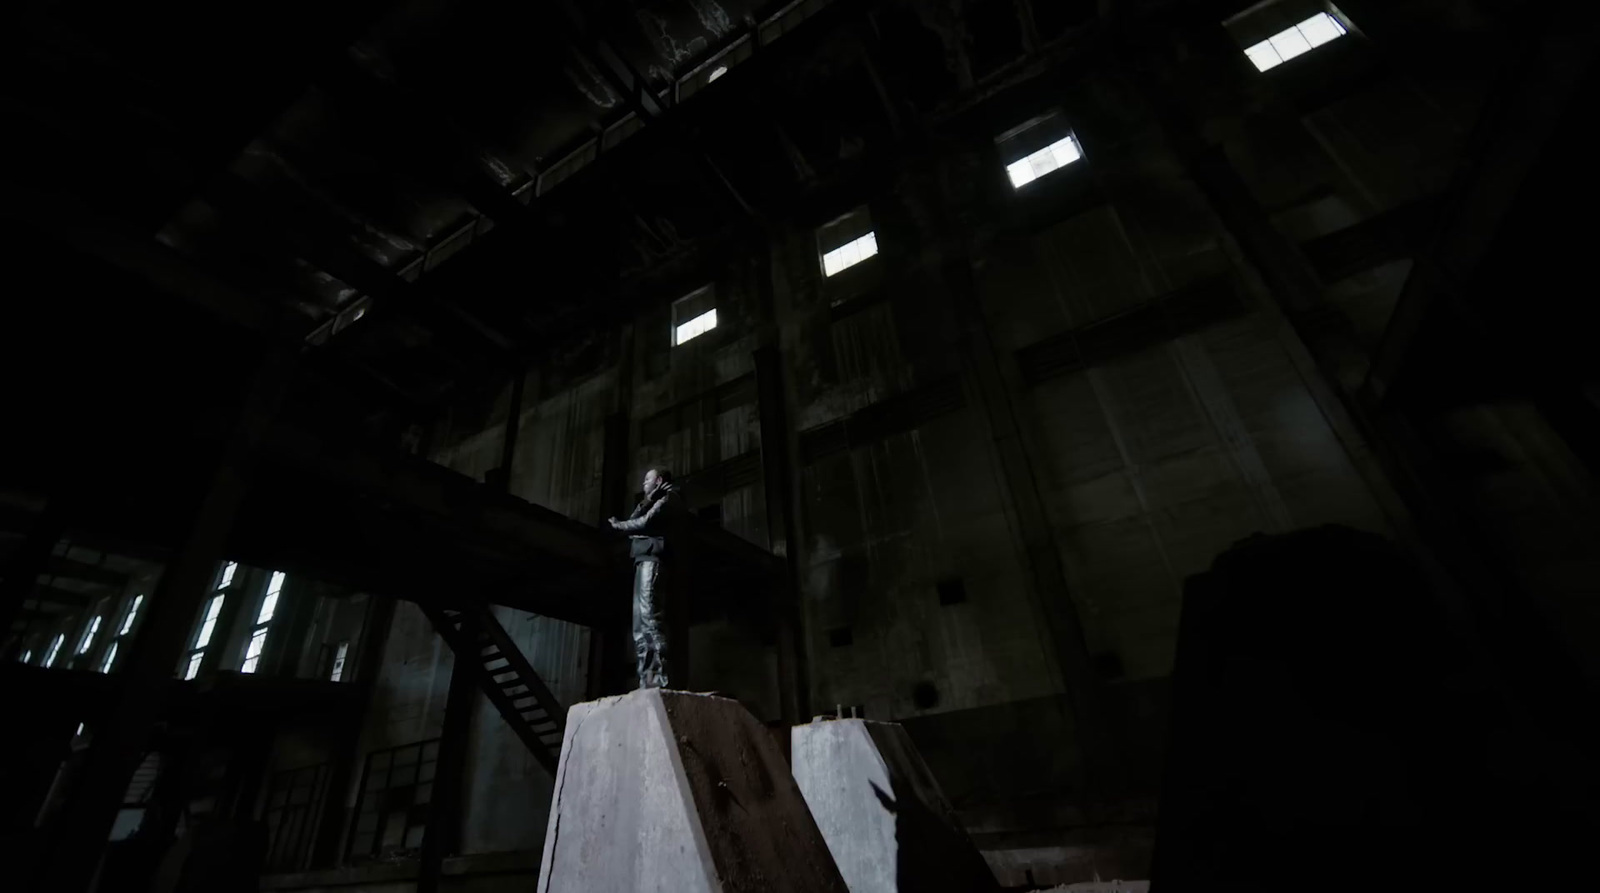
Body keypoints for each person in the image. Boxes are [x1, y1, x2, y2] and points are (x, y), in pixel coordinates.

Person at [608, 468, 684, 689]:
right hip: (643, 560)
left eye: (647, 480)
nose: (643, 484)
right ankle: (647, 679)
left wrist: (619, 526)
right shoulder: (654, 499)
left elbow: (645, 523)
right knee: (640, 624)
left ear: (659, 480)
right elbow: (637, 519)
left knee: (650, 617)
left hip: (653, 559)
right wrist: (647, 500)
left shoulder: (671, 498)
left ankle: (659, 678)